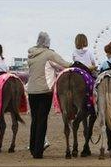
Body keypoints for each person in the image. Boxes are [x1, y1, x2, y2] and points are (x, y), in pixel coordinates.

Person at [27, 31, 72, 159]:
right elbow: (64, 64)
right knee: (42, 120)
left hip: (31, 91)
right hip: (44, 91)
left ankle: (33, 147)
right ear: (47, 42)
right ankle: (38, 152)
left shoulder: (31, 54)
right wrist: (77, 65)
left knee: (35, 120)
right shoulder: (49, 54)